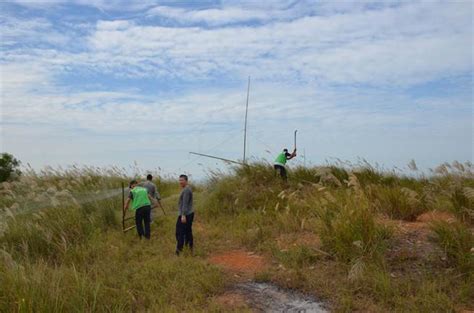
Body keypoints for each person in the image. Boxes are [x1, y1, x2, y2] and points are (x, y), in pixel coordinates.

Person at [175, 174, 194, 255]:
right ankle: (190, 246)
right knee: (188, 231)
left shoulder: (186, 190)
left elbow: (185, 204)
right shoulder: (187, 188)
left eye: (182, 180)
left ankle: (179, 250)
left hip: (185, 214)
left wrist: (183, 215)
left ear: (186, 181)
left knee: (179, 232)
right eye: (179, 180)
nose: (180, 182)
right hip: (189, 213)